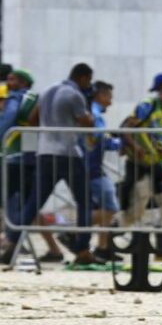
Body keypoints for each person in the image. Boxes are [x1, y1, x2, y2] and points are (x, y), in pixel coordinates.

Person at [4, 63, 96, 265]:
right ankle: (82, 249)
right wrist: (88, 115)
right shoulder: (74, 95)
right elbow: (86, 122)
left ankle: (12, 242)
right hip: (69, 153)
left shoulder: (47, 91)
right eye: (88, 81)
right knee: (84, 201)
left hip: (45, 152)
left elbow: (32, 118)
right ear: (83, 78)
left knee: (33, 202)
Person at [120, 79, 162, 260]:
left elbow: (158, 137)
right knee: (136, 211)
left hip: (156, 167)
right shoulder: (147, 105)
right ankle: (111, 236)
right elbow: (127, 128)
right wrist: (136, 147)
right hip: (139, 166)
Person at [82, 81, 121, 264]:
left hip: (90, 166)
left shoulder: (91, 110)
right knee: (110, 206)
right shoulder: (95, 112)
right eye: (109, 97)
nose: (110, 103)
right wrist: (120, 144)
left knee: (102, 207)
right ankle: (71, 230)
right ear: (100, 95)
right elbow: (99, 138)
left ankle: (103, 248)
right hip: (92, 168)